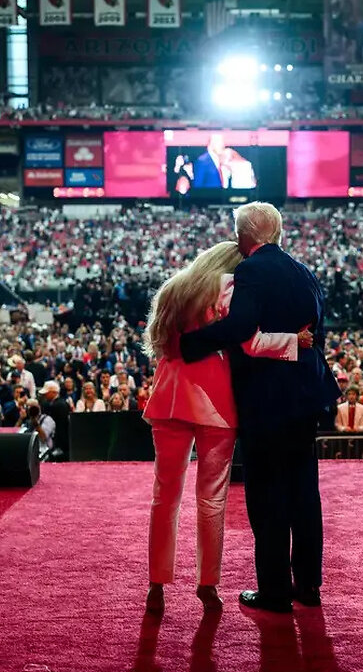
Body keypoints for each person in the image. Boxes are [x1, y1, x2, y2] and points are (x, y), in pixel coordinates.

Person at [179, 202, 340, 614]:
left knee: (267, 495)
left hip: (267, 401)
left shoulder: (250, 271)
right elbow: (313, 332)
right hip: (306, 397)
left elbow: (240, 329)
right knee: (304, 492)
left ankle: (274, 591)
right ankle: (308, 585)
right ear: (279, 233)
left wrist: (189, 342)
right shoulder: (303, 270)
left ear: (242, 237)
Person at [141, 239, 311, 614]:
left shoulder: (174, 287)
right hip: (216, 402)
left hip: (169, 396)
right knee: (212, 497)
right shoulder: (229, 288)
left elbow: (160, 342)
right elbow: (249, 342)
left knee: (164, 493)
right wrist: (293, 341)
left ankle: (157, 582)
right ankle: (207, 583)